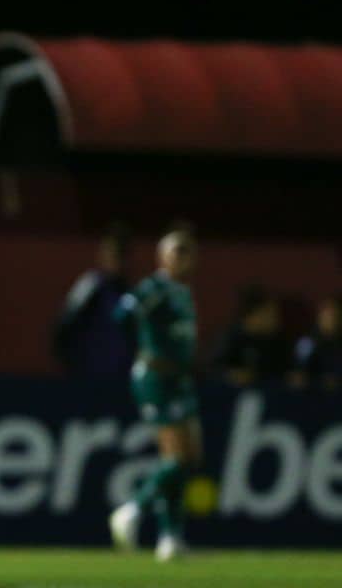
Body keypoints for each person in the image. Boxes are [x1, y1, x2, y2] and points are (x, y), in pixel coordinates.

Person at [108, 228, 201, 562]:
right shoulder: (155, 287)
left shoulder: (183, 292)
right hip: (156, 378)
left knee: (187, 457)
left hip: (179, 379)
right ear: (162, 257)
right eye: (176, 251)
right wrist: (146, 345)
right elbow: (123, 313)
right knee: (176, 457)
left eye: (187, 252)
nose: (182, 258)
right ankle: (132, 510)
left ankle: (170, 538)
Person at [51, 222, 134, 380]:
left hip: (120, 379)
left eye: (120, 254)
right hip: (89, 377)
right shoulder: (90, 285)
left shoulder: (131, 292)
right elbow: (63, 326)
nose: (114, 259)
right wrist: (70, 364)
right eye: (110, 252)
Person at [209, 283, 292, 390]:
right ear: (253, 315)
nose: (275, 319)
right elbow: (212, 370)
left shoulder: (278, 341)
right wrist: (231, 375)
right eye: (268, 313)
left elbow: (285, 373)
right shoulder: (229, 338)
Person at [292, 294, 341, 393]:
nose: (329, 318)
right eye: (326, 313)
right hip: (312, 394)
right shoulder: (307, 342)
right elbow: (299, 371)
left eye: (334, 314)